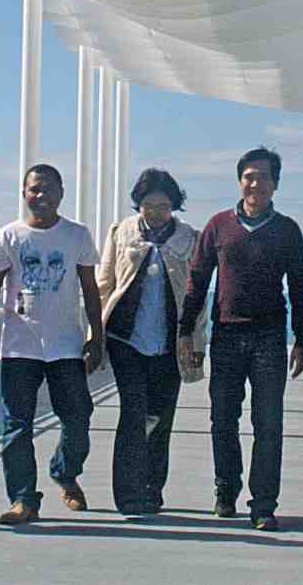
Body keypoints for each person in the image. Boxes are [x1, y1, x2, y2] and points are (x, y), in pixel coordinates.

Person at [177, 146, 303, 532]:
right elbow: (197, 279)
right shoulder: (219, 225)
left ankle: (264, 503)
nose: (256, 183)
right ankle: (226, 488)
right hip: (226, 333)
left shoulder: (287, 230)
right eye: (249, 176)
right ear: (240, 181)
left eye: (264, 177)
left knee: (268, 422)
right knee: (223, 419)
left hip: (270, 336)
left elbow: (301, 287)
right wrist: (185, 330)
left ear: (275, 184)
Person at [0, 163, 105, 525]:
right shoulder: (8, 236)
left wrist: (97, 335)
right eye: (34, 188)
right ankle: (23, 500)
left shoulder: (77, 235)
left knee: (78, 417)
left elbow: (90, 289)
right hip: (20, 346)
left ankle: (65, 472)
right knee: (16, 425)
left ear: (61, 193)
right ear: (23, 193)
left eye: (48, 188)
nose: (41, 195)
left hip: (65, 345)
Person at [99, 168, 207, 516]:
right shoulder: (121, 232)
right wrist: (93, 334)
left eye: (163, 205)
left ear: (174, 205)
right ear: (138, 204)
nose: (156, 212)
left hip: (170, 342)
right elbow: (105, 283)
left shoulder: (191, 239)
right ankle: (127, 492)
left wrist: (195, 342)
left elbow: (199, 297)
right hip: (125, 338)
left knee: (160, 416)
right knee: (133, 412)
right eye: (148, 205)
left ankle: (152, 488)